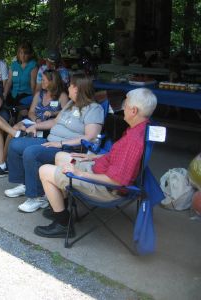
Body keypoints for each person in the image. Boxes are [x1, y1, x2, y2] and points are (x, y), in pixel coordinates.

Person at [34, 88, 157, 238]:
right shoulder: (140, 129)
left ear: (133, 110)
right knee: (61, 156)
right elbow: (117, 156)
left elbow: (116, 180)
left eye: (125, 104)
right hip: (98, 170)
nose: (122, 107)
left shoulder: (133, 141)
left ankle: (62, 224)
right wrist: (92, 158)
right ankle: (63, 208)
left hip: (105, 188)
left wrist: (80, 173)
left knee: (45, 171)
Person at [5, 74, 104, 213]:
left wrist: (61, 143)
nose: (68, 88)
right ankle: (27, 184)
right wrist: (36, 126)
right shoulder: (70, 104)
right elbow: (54, 122)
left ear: (77, 89)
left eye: (70, 85)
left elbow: (90, 137)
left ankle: (38, 197)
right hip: (51, 141)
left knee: (31, 152)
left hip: (69, 149)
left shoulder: (94, 109)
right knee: (15, 144)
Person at [2, 69, 69, 162]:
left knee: (25, 132)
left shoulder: (62, 96)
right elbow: (31, 112)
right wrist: (36, 119)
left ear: (52, 82)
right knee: (13, 129)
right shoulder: (39, 94)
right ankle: (3, 160)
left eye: (44, 80)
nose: (41, 82)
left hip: (50, 124)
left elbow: (65, 113)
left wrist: (53, 113)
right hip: (34, 121)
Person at [4, 41, 38, 108]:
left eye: (25, 53)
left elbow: (33, 84)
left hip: (26, 95)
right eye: (21, 53)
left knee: (18, 108)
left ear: (30, 54)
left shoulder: (33, 65)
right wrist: (5, 94)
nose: (23, 55)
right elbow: (9, 82)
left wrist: (35, 100)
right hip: (14, 94)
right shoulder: (14, 65)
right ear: (18, 53)